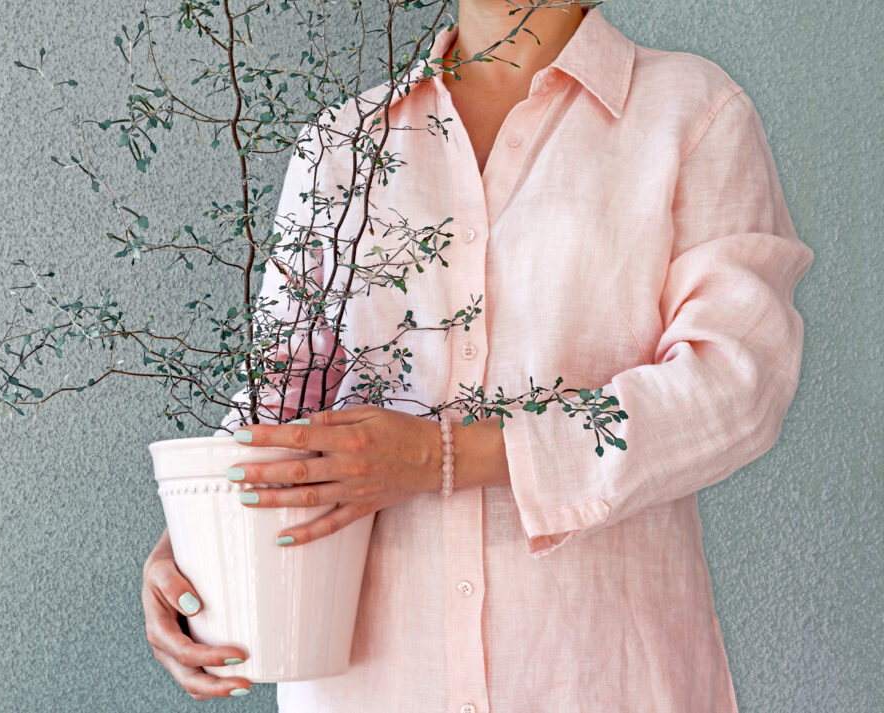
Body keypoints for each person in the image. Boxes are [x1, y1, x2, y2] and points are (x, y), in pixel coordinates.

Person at [141, 2, 815, 710]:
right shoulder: (343, 145)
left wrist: (446, 455)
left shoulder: (692, 115)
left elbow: (735, 385)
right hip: (377, 681)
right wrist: (193, 536)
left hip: (596, 675)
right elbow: (280, 398)